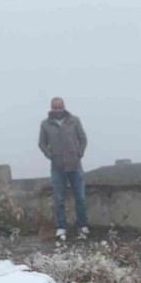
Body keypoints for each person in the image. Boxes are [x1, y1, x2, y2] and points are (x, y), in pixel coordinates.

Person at [38, 97, 89, 240]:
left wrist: (79, 153)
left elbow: (83, 138)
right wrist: (50, 155)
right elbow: (42, 143)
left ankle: (83, 225)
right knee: (59, 199)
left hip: (75, 165)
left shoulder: (74, 121)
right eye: (55, 107)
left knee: (80, 197)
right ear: (51, 108)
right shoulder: (45, 124)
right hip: (57, 166)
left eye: (60, 107)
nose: (58, 110)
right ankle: (61, 227)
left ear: (64, 107)